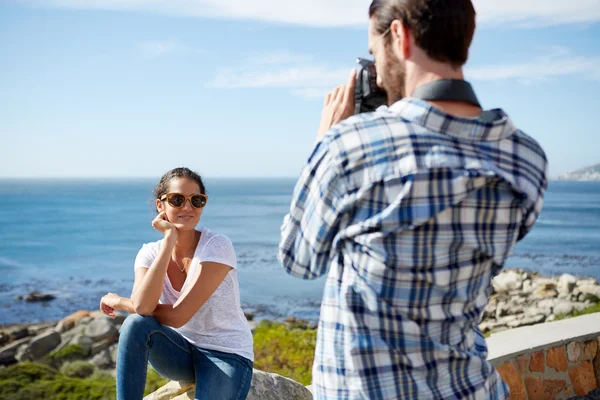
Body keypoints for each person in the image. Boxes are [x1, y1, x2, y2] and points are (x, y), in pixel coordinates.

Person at [279, 0, 548, 399]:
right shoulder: (525, 156)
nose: (376, 70)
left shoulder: (352, 146)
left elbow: (299, 259)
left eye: (374, 52)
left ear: (400, 36)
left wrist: (324, 142)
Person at [100, 167, 254, 400]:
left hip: (227, 353)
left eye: (197, 200)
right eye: (177, 199)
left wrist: (120, 301)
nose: (187, 207)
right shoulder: (148, 253)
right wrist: (168, 241)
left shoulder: (217, 246)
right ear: (160, 206)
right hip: (180, 352)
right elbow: (142, 308)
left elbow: (179, 316)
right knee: (135, 325)